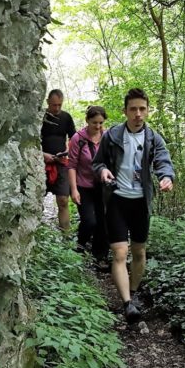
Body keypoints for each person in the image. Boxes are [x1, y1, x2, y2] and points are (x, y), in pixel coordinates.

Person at [92, 88, 176, 323]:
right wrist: (104, 171)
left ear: (147, 110)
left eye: (142, 109)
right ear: (125, 111)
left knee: (139, 251)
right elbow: (97, 164)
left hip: (141, 202)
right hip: (117, 199)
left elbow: (163, 162)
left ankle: (135, 292)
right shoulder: (113, 135)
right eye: (133, 109)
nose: (138, 113)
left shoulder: (153, 137)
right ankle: (128, 303)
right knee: (120, 252)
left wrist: (166, 177)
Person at [66, 105, 111, 272]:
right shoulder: (78, 139)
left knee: (103, 222)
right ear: (87, 121)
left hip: (102, 187)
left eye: (101, 123)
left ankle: (100, 256)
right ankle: (81, 243)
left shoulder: (107, 137)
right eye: (94, 123)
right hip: (83, 186)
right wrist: (73, 189)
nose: (98, 126)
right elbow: (71, 166)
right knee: (89, 221)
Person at [41, 89, 76, 231]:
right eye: (54, 105)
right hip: (40, 163)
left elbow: (74, 139)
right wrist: (43, 155)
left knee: (63, 200)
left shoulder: (66, 117)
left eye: (59, 105)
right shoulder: (41, 117)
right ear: (48, 102)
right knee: (36, 200)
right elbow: (30, 141)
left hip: (61, 162)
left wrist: (67, 152)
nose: (56, 108)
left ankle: (66, 233)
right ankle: (36, 233)